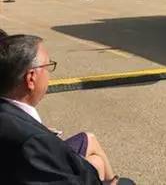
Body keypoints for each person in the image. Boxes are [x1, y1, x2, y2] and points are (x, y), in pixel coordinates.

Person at [0, 34, 120, 184]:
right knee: (99, 164)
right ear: (31, 78)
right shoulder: (35, 142)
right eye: (47, 66)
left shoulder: (11, 117)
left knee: (93, 149)